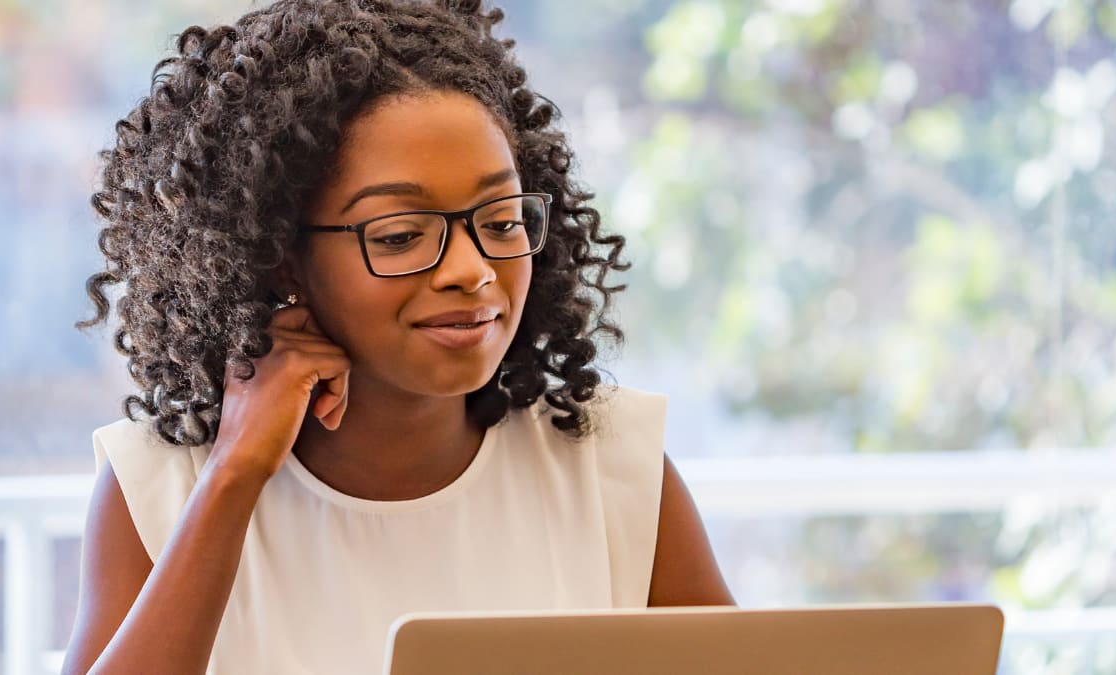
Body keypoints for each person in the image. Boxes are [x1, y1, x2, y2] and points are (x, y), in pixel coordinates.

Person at [61, 1, 735, 673]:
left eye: (501, 221)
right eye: (401, 235)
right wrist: (234, 474)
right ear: (282, 258)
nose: (473, 272)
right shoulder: (163, 486)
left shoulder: (606, 466)